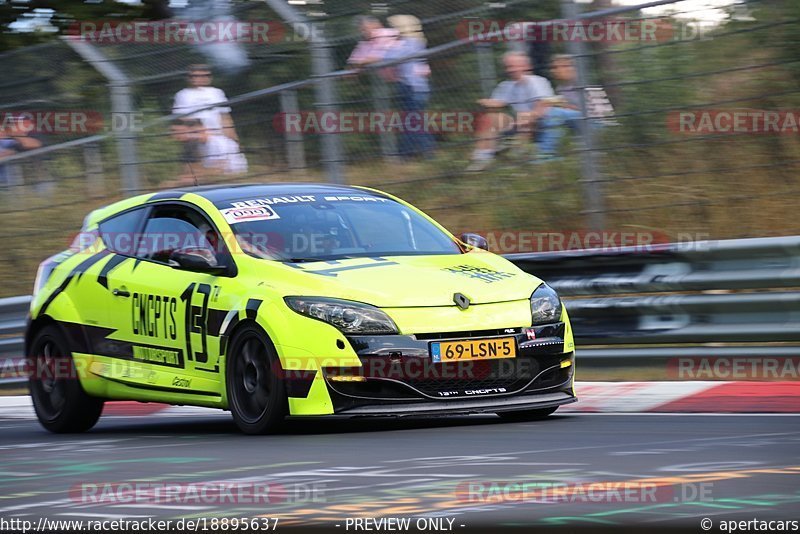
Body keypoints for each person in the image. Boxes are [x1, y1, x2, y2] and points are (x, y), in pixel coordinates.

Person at [466, 51, 554, 172]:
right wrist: (487, 103)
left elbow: (542, 107)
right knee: (489, 118)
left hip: (542, 120)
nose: (511, 69)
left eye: (515, 66)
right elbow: (497, 103)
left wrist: (528, 116)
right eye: (508, 66)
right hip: (518, 121)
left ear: (526, 66)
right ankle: (482, 158)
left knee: (524, 117)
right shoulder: (506, 85)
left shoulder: (536, 81)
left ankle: (519, 159)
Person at [172, 64, 247, 183]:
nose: (200, 78)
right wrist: (200, 132)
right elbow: (181, 120)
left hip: (218, 135)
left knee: (231, 168)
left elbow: (225, 117)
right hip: (197, 136)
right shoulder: (183, 95)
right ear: (190, 78)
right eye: (196, 76)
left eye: (205, 75)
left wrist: (234, 138)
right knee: (201, 169)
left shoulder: (217, 93)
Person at [384, 14, 433, 158]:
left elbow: (391, 57)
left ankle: (415, 154)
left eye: (393, 27)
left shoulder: (411, 42)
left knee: (414, 122)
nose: (391, 30)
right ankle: (413, 153)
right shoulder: (410, 42)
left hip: (414, 88)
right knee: (413, 121)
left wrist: (389, 46)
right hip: (409, 86)